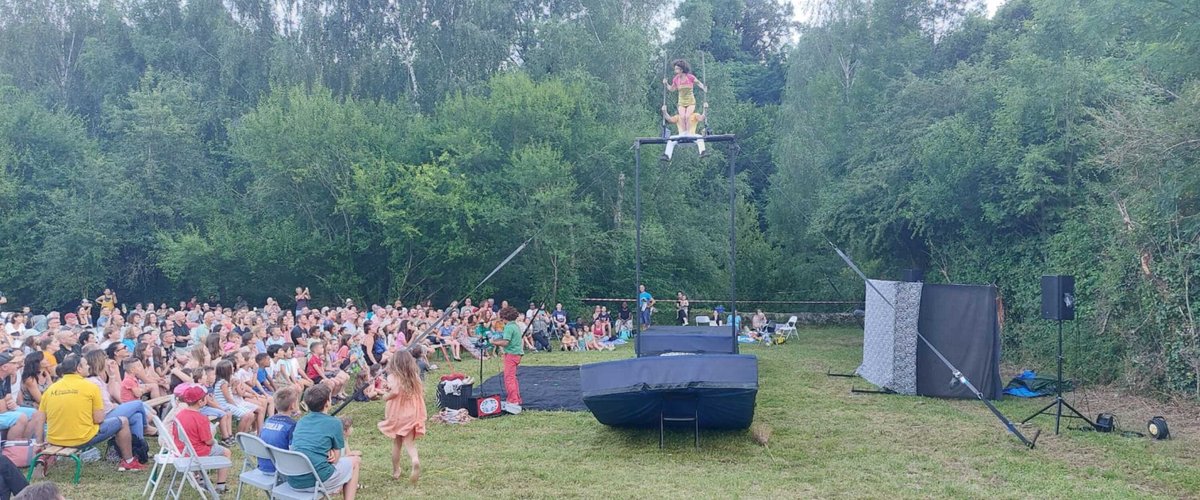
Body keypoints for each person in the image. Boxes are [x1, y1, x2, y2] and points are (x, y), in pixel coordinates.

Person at [41, 354, 143, 471]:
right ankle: (129, 461)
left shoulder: (51, 389)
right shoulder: (90, 386)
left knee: (135, 416)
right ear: (79, 368)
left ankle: (137, 449)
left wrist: (39, 442)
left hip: (55, 439)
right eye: (85, 365)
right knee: (123, 421)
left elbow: (40, 419)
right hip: (81, 438)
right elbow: (99, 419)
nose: (88, 367)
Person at [286, 384, 360, 499]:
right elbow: (335, 460)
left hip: (294, 480)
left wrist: (327, 450)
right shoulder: (335, 423)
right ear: (327, 402)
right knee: (355, 461)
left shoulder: (301, 421)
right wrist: (331, 452)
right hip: (316, 481)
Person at [377, 350, 425, 484]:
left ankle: (396, 470)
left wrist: (386, 396)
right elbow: (420, 393)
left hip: (398, 414)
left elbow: (395, 391)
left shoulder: (393, 376)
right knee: (409, 442)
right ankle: (415, 459)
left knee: (397, 442)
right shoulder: (414, 376)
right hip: (411, 413)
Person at [172, 384, 231, 493]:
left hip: (182, 450)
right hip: (196, 452)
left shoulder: (179, 414)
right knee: (226, 452)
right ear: (200, 402)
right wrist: (213, 441)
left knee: (213, 446)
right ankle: (221, 486)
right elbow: (208, 441)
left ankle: (201, 479)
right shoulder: (201, 418)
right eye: (205, 397)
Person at [257, 386, 300, 475]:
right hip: (280, 469)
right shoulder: (291, 425)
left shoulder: (268, 420)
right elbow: (294, 451)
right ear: (292, 405)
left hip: (263, 467)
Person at [488, 306, 523, 413]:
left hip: (511, 355)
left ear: (504, 317)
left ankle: (513, 400)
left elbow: (505, 342)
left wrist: (493, 342)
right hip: (517, 354)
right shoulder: (515, 326)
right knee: (513, 377)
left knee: (509, 378)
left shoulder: (508, 327)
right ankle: (516, 398)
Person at [662, 58, 707, 136]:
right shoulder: (676, 79)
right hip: (681, 102)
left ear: (681, 70)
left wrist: (703, 87)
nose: (675, 71)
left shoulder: (690, 77)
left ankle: (689, 133)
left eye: (676, 69)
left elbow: (698, 83)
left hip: (690, 101)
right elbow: (672, 89)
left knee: (687, 116)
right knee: (682, 117)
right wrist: (666, 84)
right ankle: (683, 133)